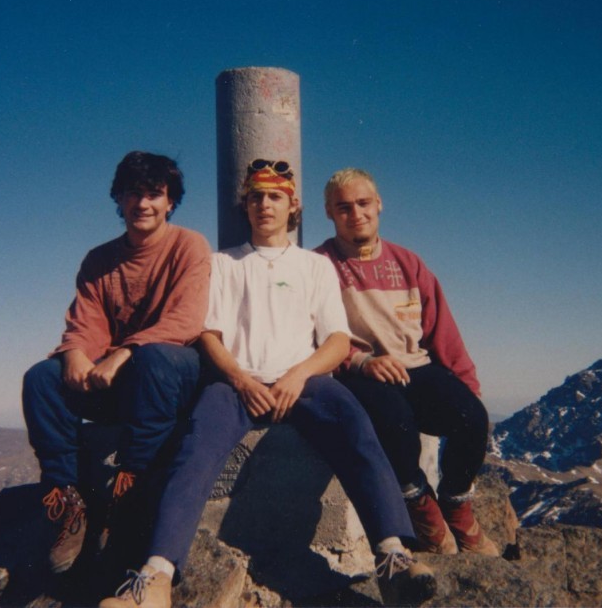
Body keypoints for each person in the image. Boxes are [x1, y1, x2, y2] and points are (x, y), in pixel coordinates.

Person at [100, 161, 437, 608]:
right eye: (256, 197)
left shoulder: (314, 266)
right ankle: (155, 578)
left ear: (292, 205)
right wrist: (240, 379)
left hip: (304, 380)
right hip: (237, 382)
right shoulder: (222, 263)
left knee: (356, 428)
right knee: (194, 449)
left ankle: (392, 559)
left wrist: (299, 374)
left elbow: (337, 340)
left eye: (274, 196)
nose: (264, 205)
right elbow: (208, 335)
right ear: (245, 205)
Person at [22, 151, 211, 574]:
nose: (143, 204)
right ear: (119, 199)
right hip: (119, 380)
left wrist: (124, 353)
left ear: (169, 202)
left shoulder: (189, 245)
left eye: (154, 194)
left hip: (170, 374)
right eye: (133, 194)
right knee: (40, 378)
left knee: (154, 359)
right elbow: (85, 321)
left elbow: (185, 320)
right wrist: (73, 353)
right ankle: (67, 502)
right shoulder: (98, 260)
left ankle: (131, 490)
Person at [315, 167, 495, 555]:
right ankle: (420, 506)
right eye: (343, 207)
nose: (356, 213)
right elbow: (310, 331)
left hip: (415, 365)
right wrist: (360, 360)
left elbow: (442, 332)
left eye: (364, 203)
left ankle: (456, 505)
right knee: (397, 424)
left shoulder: (408, 262)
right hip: (360, 370)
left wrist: (469, 391)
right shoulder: (319, 265)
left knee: (472, 418)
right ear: (329, 212)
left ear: (379, 204)